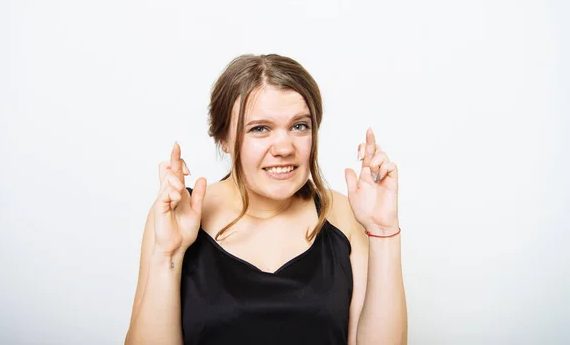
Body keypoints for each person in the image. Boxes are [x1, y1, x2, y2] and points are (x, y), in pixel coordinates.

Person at [124, 54, 407, 344]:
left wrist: (384, 230)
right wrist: (168, 255)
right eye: (260, 128)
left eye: (299, 126)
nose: (284, 147)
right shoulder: (179, 214)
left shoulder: (345, 216)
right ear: (223, 137)